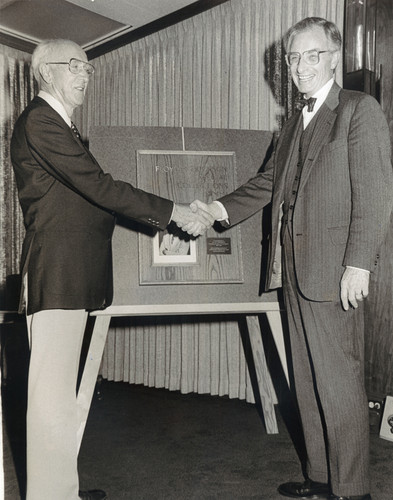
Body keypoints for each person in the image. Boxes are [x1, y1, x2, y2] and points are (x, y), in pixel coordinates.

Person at [185, 17, 393, 500]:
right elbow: (268, 185)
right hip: (293, 268)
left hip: (336, 269)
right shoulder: (296, 121)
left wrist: (358, 263)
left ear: (335, 57)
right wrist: (216, 209)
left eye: (312, 55)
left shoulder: (358, 110)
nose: (300, 66)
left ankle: (353, 489)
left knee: (339, 385)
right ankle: (321, 477)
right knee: (307, 377)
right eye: (294, 58)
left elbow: (376, 194)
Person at [10, 39, 212, 500]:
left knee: (58, 399)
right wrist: (175, 211)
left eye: (88, 68)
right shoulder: (41, 120)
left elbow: (92, 196)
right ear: (46, 72)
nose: (85, 76)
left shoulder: (59, 123)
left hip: (72, 275)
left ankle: (61, 491)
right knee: (50, 400)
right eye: (76, 66)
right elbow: (100, 187)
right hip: (58, 274)